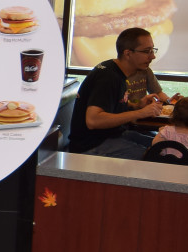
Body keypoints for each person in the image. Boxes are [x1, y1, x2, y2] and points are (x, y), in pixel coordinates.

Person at [68, 27, 163, 158]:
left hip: (112, 135)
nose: (153, 56)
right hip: (91, 146)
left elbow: (111, 104)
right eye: (147, 51)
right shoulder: (108, 77)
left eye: (153, 50)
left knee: (161, 144)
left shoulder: (116, 70)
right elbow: (93, 120)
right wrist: (140, 113)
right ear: (128, 53)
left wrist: (136, 105)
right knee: (156, 155)